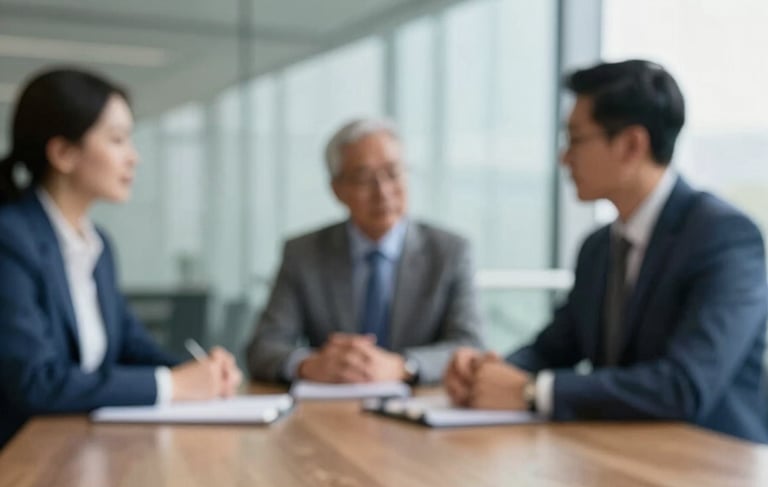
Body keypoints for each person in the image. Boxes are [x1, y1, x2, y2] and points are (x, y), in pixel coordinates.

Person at [444, 59, 768, 443]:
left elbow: (684, 385)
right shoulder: (598, 247)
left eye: (576, 139)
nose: (564, 158)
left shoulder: (725, 237)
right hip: (616, 458)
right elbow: (554, 348)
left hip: (712, 472)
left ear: (632, 144)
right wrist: (485, 373)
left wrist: (533, 393)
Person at [0, 68, 241, 447]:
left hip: (81, 449)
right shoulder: (11, 239)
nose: (134, 158)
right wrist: (172, 385)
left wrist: (194, 370)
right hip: (21, 463)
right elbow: (35, 381)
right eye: (117, 140)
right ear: (64, 152)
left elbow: (129, 345)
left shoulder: (98, 245)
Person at [246, 118, 484, 385]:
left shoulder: (450, 252)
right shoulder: (303, 254)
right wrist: (310, 365)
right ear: (337, 190)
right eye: (363, 178)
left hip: (421, 410)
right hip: (329, 412)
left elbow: (470, 345)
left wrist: (403, 366)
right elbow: (263, 346)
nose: (382, 191)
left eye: (393, 173)